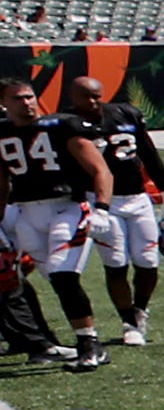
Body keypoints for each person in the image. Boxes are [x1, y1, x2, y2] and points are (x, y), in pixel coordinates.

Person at [0, 70, 114, 370]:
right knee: (55, 280)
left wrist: (101, 207)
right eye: (18, 98)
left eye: (29, 96)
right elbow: (1, 183)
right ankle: (78, 342)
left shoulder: (61, 126)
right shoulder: (1, 132)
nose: (27, 103)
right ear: (4, 104)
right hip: (26, 214)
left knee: (65, 276)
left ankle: (89, 343)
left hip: (68, 208)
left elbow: (101, 170)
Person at [65, 73, 164, 347]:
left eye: (96, 95)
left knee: (148, 262)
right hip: (101, 200)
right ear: (73, 97)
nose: (93, 101)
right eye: (86, 97)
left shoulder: (126, 114)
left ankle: (140, 310)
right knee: (116, 264)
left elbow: (149, 153)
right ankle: (128, 321)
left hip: (138, 199)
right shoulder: (67, 123)